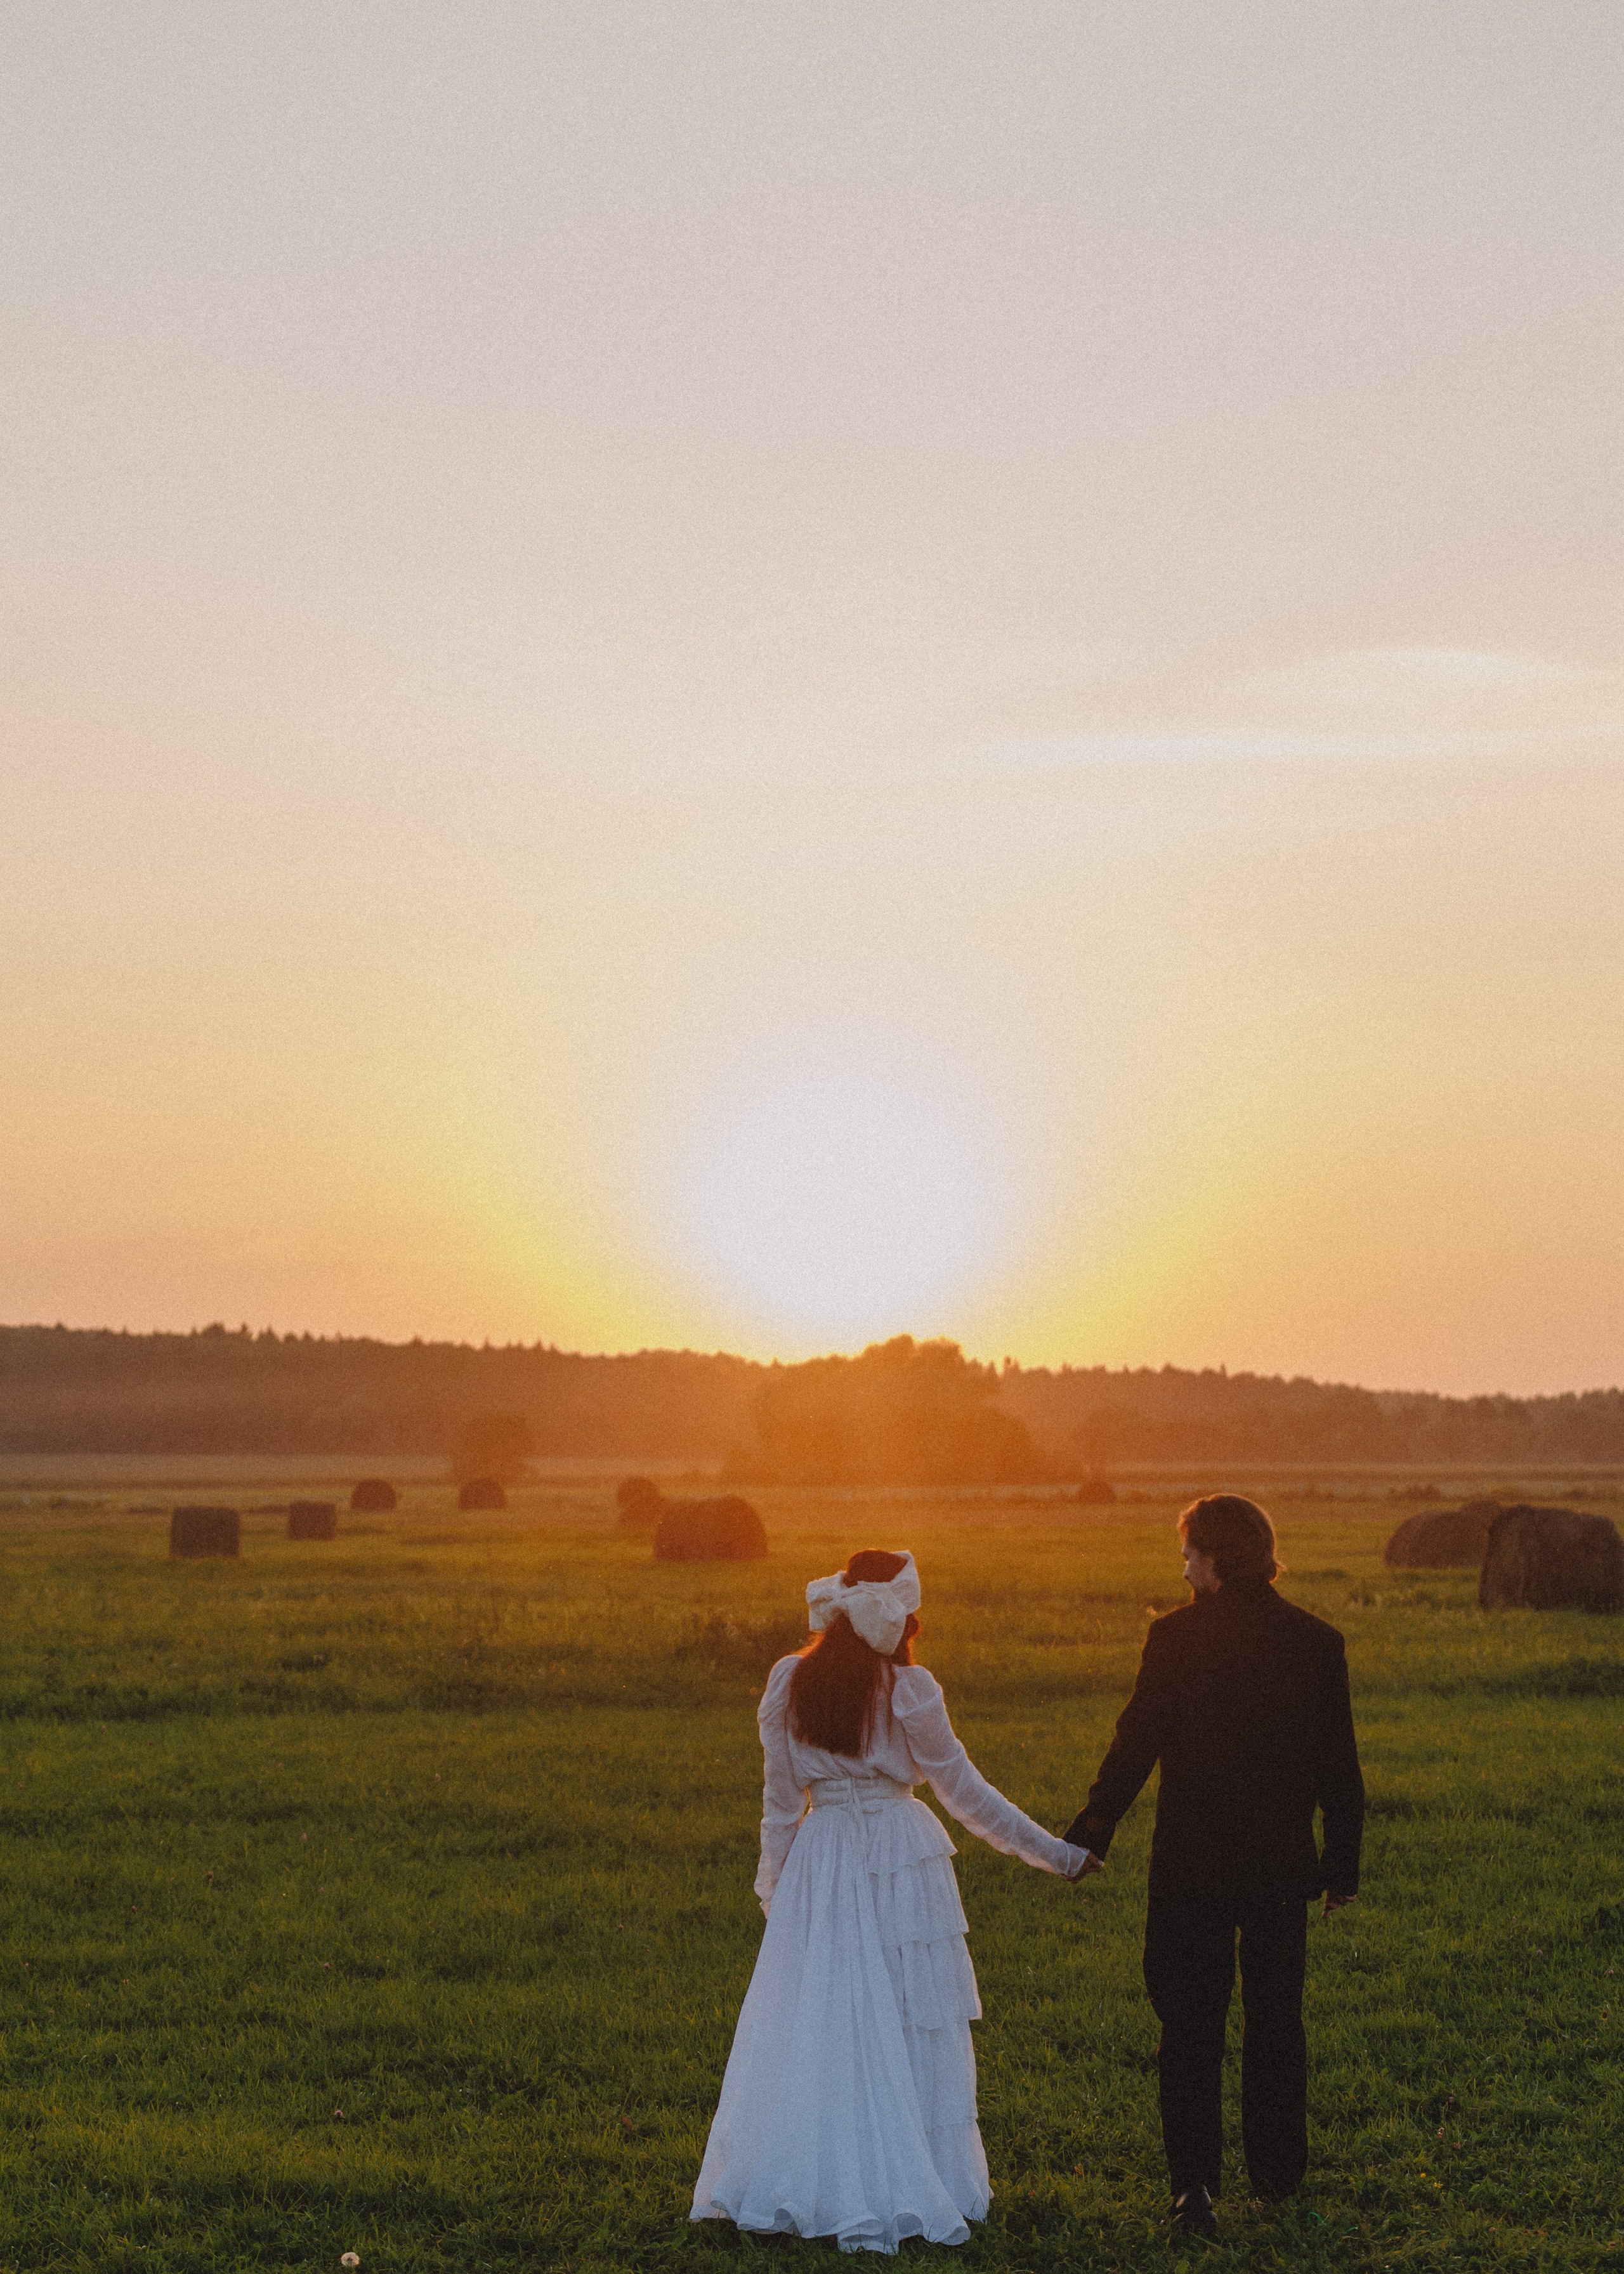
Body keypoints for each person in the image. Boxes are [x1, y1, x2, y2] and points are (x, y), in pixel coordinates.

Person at [691, 1548, 1092, 2255]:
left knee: (825, 2017)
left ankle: (823, 2172)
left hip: (822, 1855)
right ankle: (909, 2173)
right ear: (901, 1615)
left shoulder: (790, 1679)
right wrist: (1054, 1854)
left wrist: (776, 1890)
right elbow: (965, 1793)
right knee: (908, 2013)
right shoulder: (909, 1687)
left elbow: (781, 1805)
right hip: (899, 1853)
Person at [1063, 1494, 1364, 2237]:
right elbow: (1340, 1769)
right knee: (1275, 2023)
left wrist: (1093, 1831)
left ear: (1216, 1559)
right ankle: (1277, 2179)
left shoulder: (1174, 1639)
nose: (1183, 1565)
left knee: (1189, 2025)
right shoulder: (1317, 1642)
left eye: (1190, 1553)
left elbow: (1134, 1745)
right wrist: (1340, 1867)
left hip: (1190, 1871)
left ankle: (1192, 2191)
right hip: (1279, 1870)